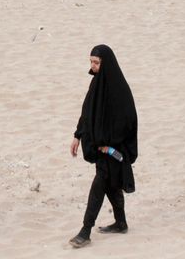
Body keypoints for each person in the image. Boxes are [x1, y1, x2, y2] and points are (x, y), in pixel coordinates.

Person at [68, 45, 138, 249]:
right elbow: (87, 112)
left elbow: (128, 120)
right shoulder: (96, 84)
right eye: (91, 62)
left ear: (106, 63)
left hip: (114, 150)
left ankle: (85, 230)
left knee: (99, 186)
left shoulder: (119, 89)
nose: (93, 66)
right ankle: (121, 223)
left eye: (96, 62)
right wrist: (77, 136)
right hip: (100, 148)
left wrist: (108, 143)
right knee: (111, 185)